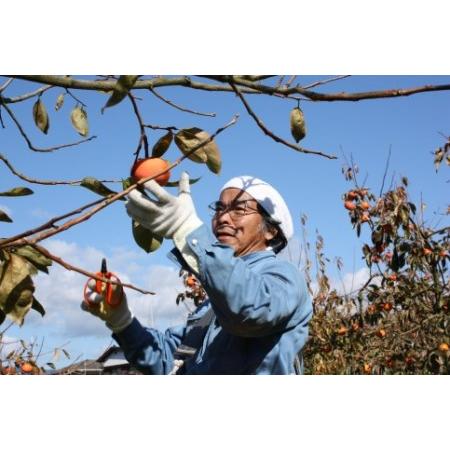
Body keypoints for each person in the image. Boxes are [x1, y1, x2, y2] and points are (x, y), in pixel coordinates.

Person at [81, 173, 312, 374]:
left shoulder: (283, 276)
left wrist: (187, 231)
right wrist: (122, 321)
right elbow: (167, 359)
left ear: (271, 230)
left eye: (239, 209)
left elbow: (249, 309)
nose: (223, 217)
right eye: (220, 208)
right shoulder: (211, 306)